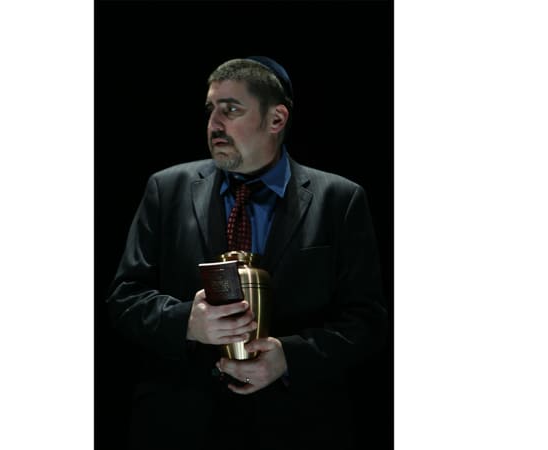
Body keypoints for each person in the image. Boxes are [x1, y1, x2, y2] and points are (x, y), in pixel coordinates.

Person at [106, 56, 388, 450]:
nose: (214, 124)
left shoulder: (339, 199)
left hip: (298, 429)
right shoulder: (166, 189)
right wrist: (187, 322)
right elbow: (123, 299)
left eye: (231, 109)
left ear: (277, 119)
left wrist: (288, 357)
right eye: (211, 110)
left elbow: (367, 321)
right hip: (179, 425)